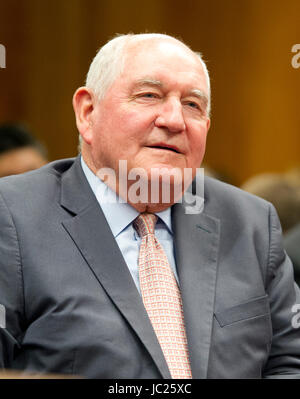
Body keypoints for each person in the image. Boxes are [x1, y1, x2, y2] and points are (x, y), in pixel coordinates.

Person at [0, 33, 299, 379]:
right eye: (149, 96)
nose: (174, 120)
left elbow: (289, 365)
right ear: (87, 112)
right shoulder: (12, 216)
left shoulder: (251, 223)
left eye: (192, 105)